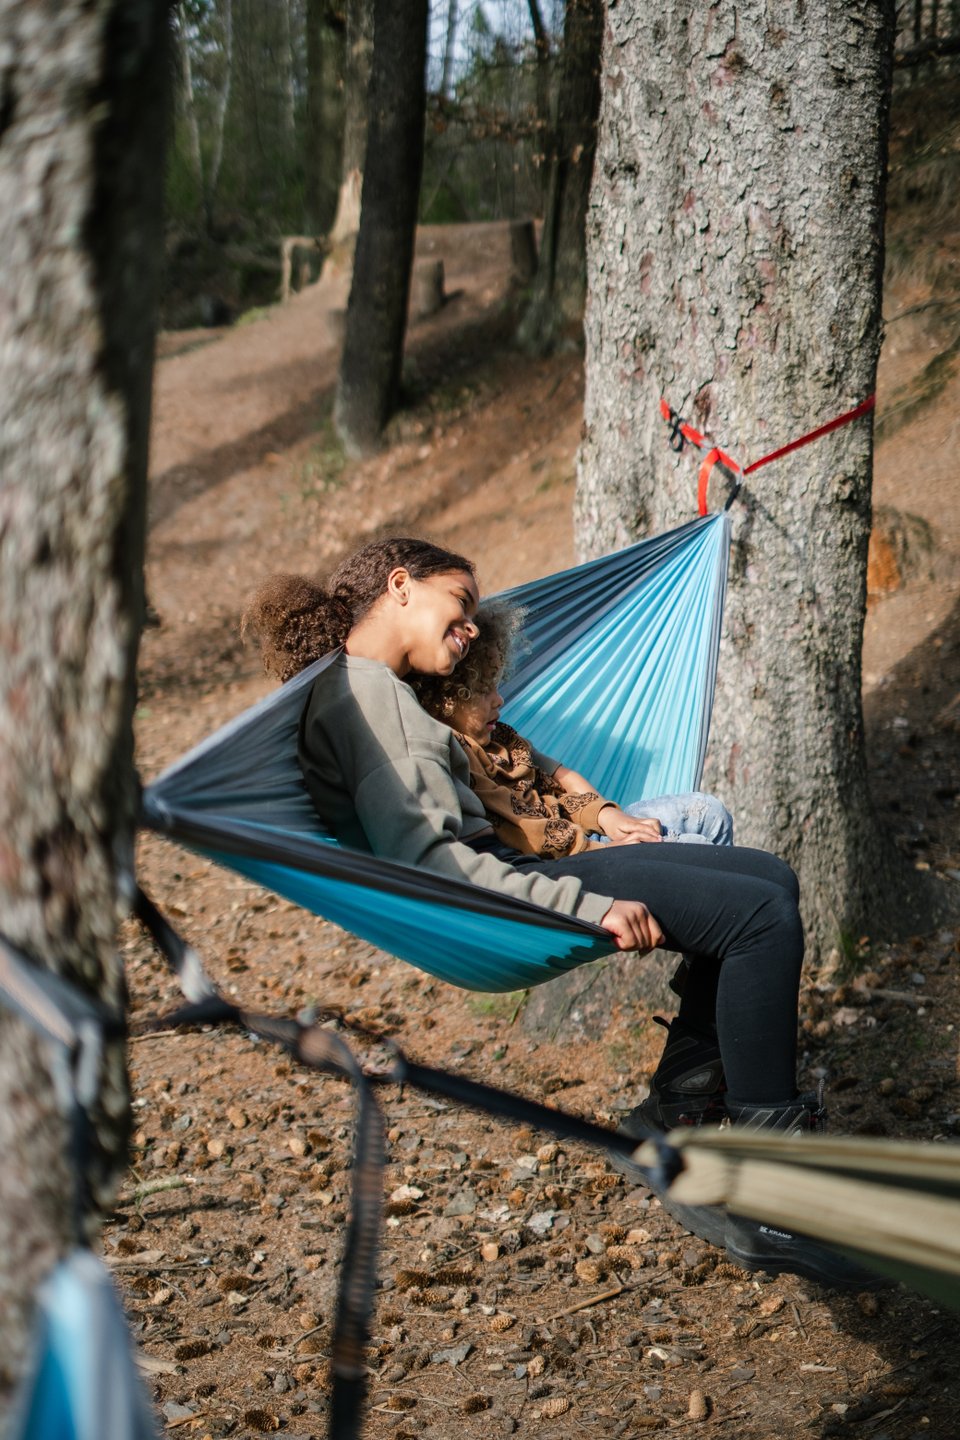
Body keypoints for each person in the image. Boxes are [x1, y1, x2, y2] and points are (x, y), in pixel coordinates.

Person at [243, 536, 880, 1289]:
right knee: (760, 917)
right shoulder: (367, 695)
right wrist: (586, 901)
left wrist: (596, 823)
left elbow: (500, 776)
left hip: (523, 872)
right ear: (400, 585)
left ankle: (678, 1110)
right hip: (511, 888)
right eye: (463, 603)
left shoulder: (369, 687)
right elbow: (435, 864)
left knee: (768, 882)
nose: (473, 627)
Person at [407, 598, 734, 862]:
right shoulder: (461, 755)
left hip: (592, 835)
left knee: (711, 813)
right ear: (446, 699)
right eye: (482, 691)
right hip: (570, 863)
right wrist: (606, 850)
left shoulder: (502, 737)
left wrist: (610, 818)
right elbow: (523, 832)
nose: (499, 699)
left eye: (496, 684)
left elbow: (562, 775)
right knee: (694, 848)